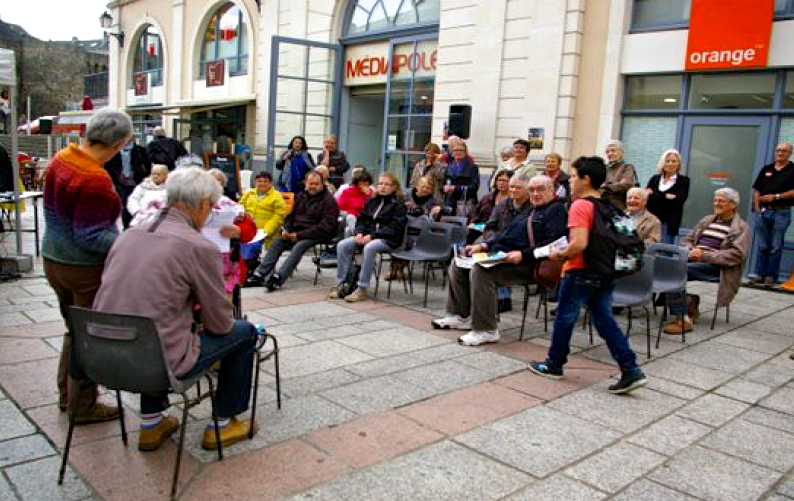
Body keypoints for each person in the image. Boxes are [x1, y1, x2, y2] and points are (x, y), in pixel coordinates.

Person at [93, 167, 258, 451]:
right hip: (156, 361)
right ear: (205, 204)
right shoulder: (197, 245)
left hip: (100, 355)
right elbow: (220, 324)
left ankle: (151, 423)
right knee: (244, 332)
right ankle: (222, 423)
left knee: (151, 323)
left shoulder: (128, 235)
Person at [528, 156, 648, 394]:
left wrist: (560, 255)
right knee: (604, 320)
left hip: (581, 270)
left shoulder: (581, 205)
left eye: (573, 176)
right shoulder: (606, 205)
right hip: (604, 270)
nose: (570, 180)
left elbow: (579, 243)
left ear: (586, 179)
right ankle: (630, 368)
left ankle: (554, 363)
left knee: (565, 317)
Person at [42, 108, 133, 423]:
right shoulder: (93, 178)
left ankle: (67, 395)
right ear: (120, 143)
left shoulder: (62, 159)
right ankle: (82, 406)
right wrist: (129, 243)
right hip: (81, 268)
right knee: (89, 335)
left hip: (54, 258)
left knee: (74, 328)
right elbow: (91, 236)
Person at [432, 174, 567, 346]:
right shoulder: (532, 210)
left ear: (552, 190)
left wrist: (523, 255)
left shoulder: (556, 210)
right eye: (532, 190)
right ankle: (460, 316)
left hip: (531, 264)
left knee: (481, 271)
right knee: (458, 263)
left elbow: (554, 244)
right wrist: (484, 246)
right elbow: (506, 235)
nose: (535, 193)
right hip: (508, 257)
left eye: (540, 189)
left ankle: (486, 329)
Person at [663, 188, 751, 334]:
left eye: (721, 201)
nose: (716, 203)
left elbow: (737, 255)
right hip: (694, 259)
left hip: (718, 266)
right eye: (715, 200)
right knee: (665, 266)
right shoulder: (707, 220)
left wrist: (705, 256)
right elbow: (687, 239)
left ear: (733, 204)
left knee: (676, 271)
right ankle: (688, 301)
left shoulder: (741, 227)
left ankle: (683, 319)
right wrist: (690, 249)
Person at [245, 171, 339, 291]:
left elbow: (326, 226)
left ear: (322, 184)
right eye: (310, 183)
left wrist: (298, 235)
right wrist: (286, 230)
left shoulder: (329, 201)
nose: (313, 186)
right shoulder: (301, 196)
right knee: (278, 241)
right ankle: (259, 275)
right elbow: (290, 217)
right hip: (297, 231)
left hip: (318, 233)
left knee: (299, 246)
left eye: (316, 184)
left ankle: (278, 277)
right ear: (306, 183)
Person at [330, 172, 407, 303]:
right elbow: (362, 218)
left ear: (394, 187)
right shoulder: (372, 200)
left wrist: (372, 235)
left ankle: (362, 288)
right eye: (380, 183)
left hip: (389, 238)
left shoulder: (398, 204)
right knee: (343, 245)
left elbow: (395, 227)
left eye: (387, 184)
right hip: (367, 235)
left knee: (370, 248)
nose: (383, 187)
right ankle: (343, 284)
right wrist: (359, 232)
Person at [207, 168, 258, 295]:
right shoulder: (191, 203)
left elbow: (250, 229)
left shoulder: (230, 205)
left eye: (218, 181)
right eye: (210, 181)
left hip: (225, 258)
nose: (214, 183)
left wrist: (238, 230)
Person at [750, 142, 794, 286]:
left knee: (776, 245)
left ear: (790, 153)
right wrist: (757, 209)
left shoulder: (792, 170)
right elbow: (757, 190)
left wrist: (776, 197)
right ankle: (760, 274)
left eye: (784, 151)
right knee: (763, 245)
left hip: (781, 212)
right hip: (763, 212)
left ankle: (771, 276)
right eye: (778, 150)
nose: (780, 153)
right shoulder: (766, 169)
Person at [105, 137, 152, 229]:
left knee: (136, 203)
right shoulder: (115, 151)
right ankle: (127, 226)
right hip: (120, 183)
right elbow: (108, 166)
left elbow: (147, 165)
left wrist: (143, 176)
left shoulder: (139, 150)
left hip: (136, 181)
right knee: (125, 204)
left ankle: (135, 224)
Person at [646, 149, 690, 244]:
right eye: (667, 161)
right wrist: (666, 197)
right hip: (650, 222)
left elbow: (678, 202)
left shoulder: (683, 181)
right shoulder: (654, 179)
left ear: (679, 164)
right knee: (648, 252)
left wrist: (654, 195)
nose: (670, 164)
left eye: (674, 161)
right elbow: (647, 200)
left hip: (667, 224)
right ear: (662, 163)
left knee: (663, 254)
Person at [238, 171, 287, 250]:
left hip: (266, 231)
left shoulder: (276, 196)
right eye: (259, 181)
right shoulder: (249, 193)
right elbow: (239, 207)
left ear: (271, 183)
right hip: (248, 229)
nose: (262, 183)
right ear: (255, 182)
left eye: (265, 181)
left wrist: (266, 231)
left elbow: (279, 216)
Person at [443, 141, 479, 217]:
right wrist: (444, 188)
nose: (458, 152)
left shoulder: (472, 167)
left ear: (465, 152)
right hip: (450, 203)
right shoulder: (448, 167)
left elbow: (474, 187)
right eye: (455, 150)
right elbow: (443, 184)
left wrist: (456, 188)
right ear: (452, 153)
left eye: (461, 150)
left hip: (465, 203)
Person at [601, 140, 637, 211]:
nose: (610, 153)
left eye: (613, 151)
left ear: (622, 153)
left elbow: (626, 184)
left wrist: (606, 186)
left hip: (619, 207)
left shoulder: (627, 167)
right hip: (603, 206)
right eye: (607, 152)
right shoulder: (603, 168)